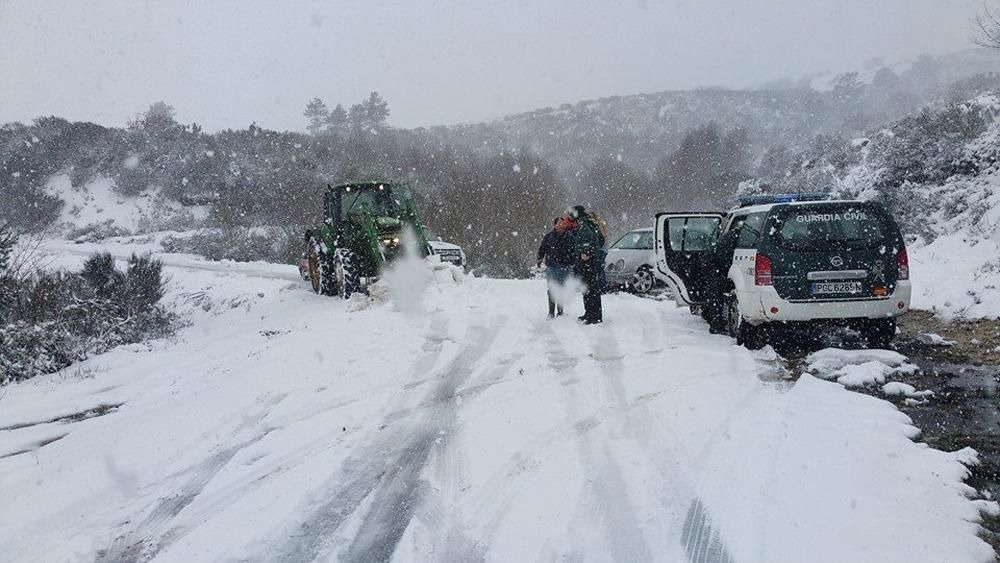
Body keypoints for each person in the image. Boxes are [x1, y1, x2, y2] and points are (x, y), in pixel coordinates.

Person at [568, 205, 607, 324]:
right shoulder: (589, 223)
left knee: (590, 289)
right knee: (588, 289)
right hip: (588, 262)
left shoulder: (585, 225)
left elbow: (595, 242)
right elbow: (601, 240)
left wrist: (587, 253)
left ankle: (594, 316)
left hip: (587, 262)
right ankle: (590, 313)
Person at [537, 217, 576, 318]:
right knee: (552, 289)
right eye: (558, 224)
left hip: (565, 267)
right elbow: (542, 249)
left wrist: (573, 263)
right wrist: (539, 259)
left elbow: (574, 251)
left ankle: (560, 312)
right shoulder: (549, 237)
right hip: (552, 267)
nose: (560, 225)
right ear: (554, 225)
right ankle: (551, 312)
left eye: (562, 223)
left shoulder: (570, 237)